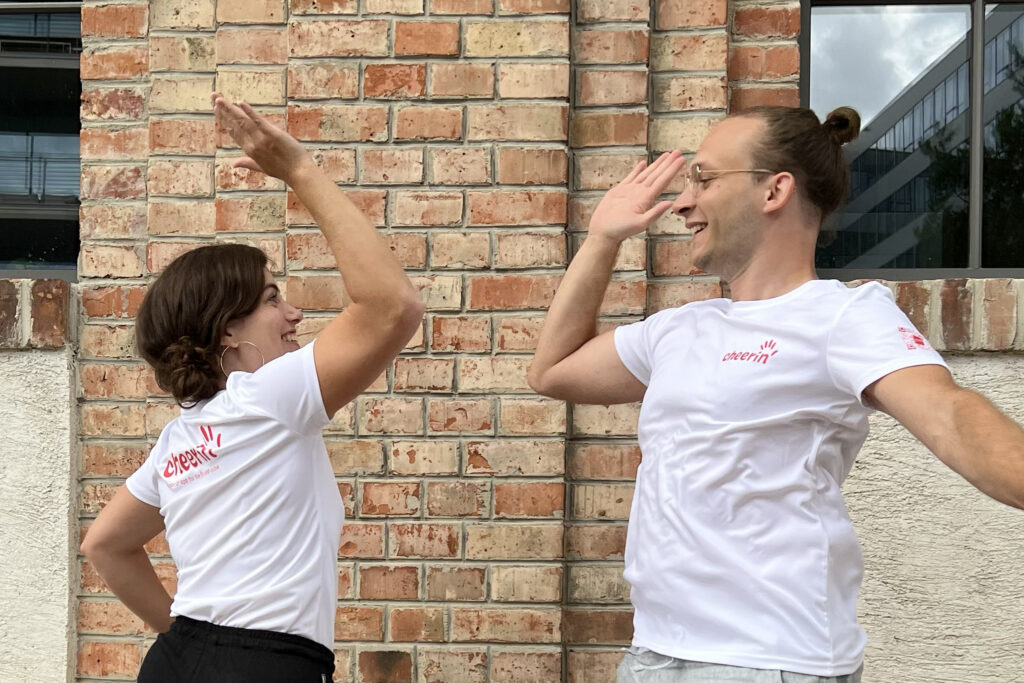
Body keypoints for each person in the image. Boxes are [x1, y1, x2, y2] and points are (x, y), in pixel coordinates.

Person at [526, 106, 1024, 682]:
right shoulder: (680, 329)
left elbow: (951, 415)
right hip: (655, 653)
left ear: (775, 191)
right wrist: (603, 238)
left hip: (771, 662)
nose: (683, 201)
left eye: (704, 179)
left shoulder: (844, 316)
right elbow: (553, 370)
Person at [80, 93, 425, 682]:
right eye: (271, 299)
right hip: (263, 664)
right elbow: (392, 307)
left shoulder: (183, 435)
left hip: (176, 664)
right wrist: (298, 170)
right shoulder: (267, 397)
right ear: (227, 334)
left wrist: (190, 640)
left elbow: (105, 545)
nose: (293, 314)